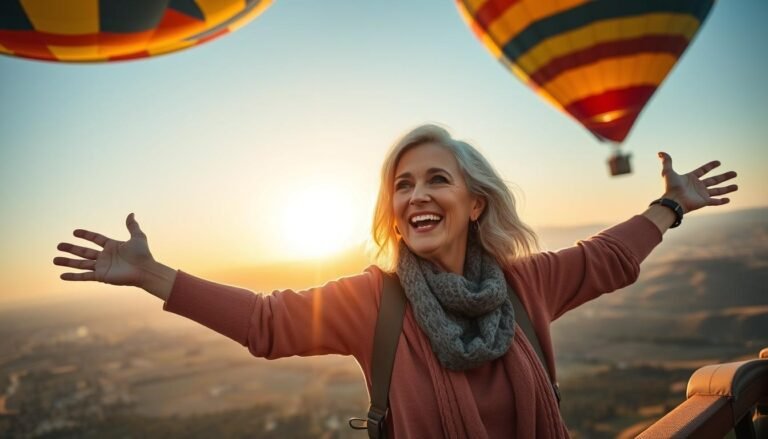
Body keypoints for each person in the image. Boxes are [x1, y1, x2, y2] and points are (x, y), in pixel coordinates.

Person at [53, 124, 738, 438]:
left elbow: (607, 256)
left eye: (436, 178)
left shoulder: (527, 285)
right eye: (401, 184)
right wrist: (154, 275)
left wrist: (670, 205)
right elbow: (265, 322)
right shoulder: (370, 302)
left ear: (475, 203)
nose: (416, 194)